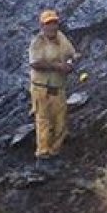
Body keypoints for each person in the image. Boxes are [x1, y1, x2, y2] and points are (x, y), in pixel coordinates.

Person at [28, 9, 79, 168]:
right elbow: (35, 63)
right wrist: (58, 67)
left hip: (58, 88)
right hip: (41, 89)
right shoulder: (37, 42)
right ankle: (43, 156)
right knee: (43, 122)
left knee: (60, 121)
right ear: (42, 26)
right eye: (48, 23)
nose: (52, 26)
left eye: (54, 23)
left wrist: (71, 63)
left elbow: (72, 54)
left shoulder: (62, 38)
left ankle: (55, 153)